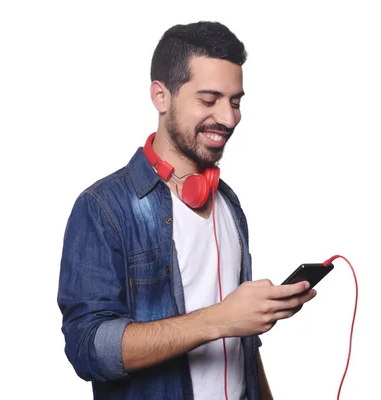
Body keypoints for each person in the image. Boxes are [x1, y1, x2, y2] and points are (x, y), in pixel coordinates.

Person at [57, 21, 317, 400]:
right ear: (161, 97)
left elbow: (241, 346)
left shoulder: (229, 204)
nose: (228, 118)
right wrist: (219, 320)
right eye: (209, 100)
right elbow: (88, 349)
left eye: (235, 101)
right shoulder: (103, 208)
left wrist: (249, 318)